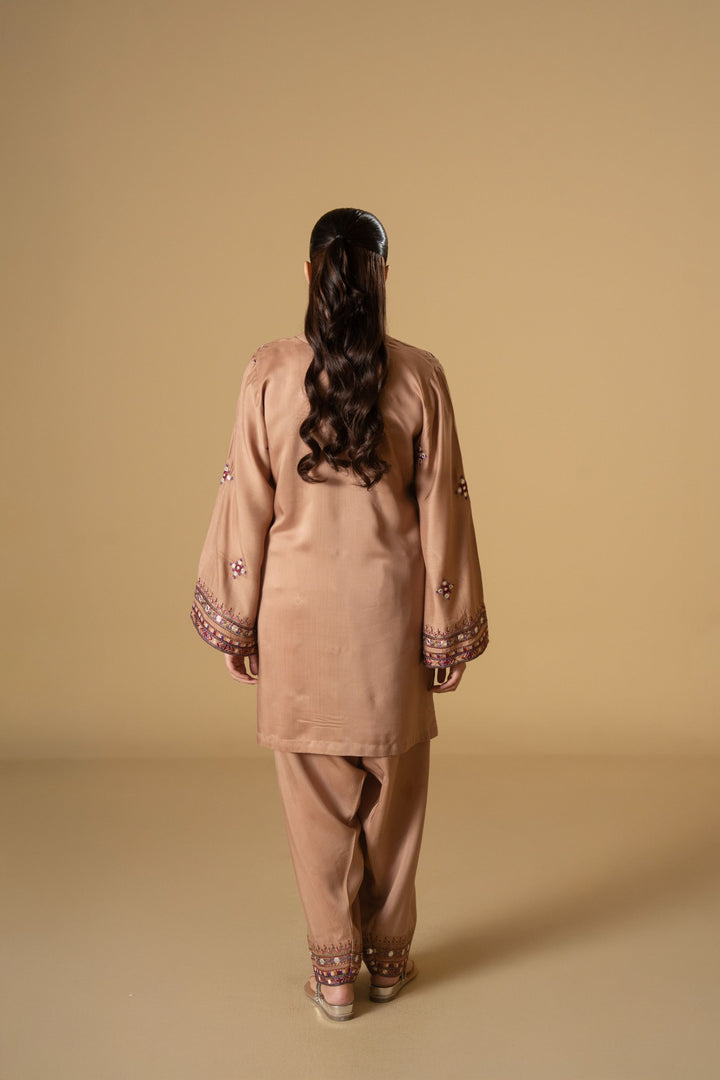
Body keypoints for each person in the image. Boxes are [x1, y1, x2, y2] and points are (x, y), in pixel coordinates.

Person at [190, 207, 488, 1022]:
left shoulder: (269, 372)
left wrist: (236, 618)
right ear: (383, 276)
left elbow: (244, 504)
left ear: (310, 275)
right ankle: (388, 963)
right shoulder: (420, 376)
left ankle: (332, 978)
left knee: (316, 812)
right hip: (391, 625)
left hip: (295, 623)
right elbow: (445, 509)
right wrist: (447, 628)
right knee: (396, 804)